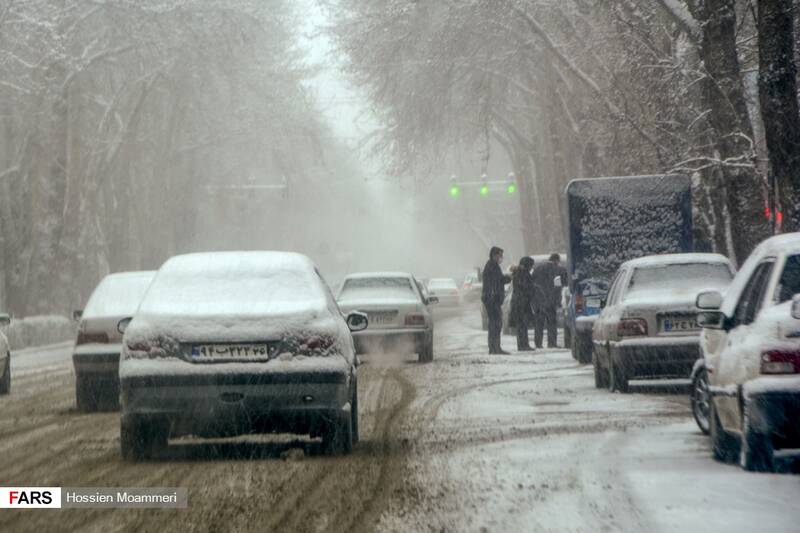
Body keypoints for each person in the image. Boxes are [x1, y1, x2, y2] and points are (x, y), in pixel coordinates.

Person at [533, 253, 567, 349]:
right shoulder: (559, 270)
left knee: (539, 323)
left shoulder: (538, 269)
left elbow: (533, 283)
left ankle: (538, 343)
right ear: (556, 260)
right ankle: (551, 343)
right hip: (551, 300)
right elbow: (562, 284)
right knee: (551, 323)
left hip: (539, 300)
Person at [481, 246, 512, 354]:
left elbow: (498, 280)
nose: (501, 258)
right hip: (492, 299)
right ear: (494, 255)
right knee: (496, 323)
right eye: (500, 255)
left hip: (492, 298)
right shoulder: (492, 266)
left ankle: (494, 347)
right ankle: (494, 348)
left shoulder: (493, 266)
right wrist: (508, 278)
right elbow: (498, 281)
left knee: (495, 323)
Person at [510, 256, 536, 351]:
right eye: (531, 265)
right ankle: (523, 345)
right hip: (521, 303)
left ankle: (523, 344)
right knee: (522, 324)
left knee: (522, 324)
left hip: (520, 302)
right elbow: (525, 287)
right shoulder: (523, 274)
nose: (531, 267)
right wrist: (532, 289)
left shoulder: (519, 273)